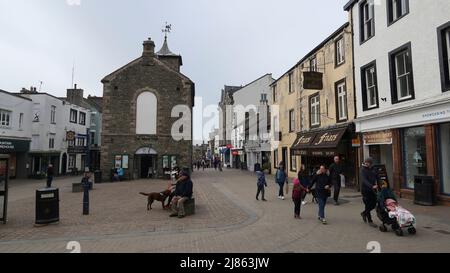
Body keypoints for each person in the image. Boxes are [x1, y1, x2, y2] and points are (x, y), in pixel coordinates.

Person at [360, 157, 379, 228]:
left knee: (374, 204)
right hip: (365, 190)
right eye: (366, 162)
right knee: (367, 205)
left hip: (373, 190)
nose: (366, 163)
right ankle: (370, 221)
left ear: (371, 163)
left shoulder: (373, 169)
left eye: (368, 162)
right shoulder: (363, 170)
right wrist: (371, 186)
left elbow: (377, 176)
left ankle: (364, 213)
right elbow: (364, 180)